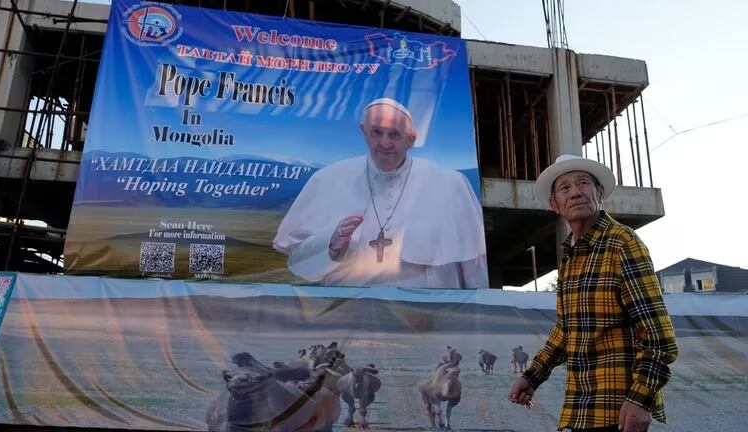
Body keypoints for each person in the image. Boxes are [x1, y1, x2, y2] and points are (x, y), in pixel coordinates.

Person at [507, 154, 678, 432]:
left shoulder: (623, 244)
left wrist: (640, 399)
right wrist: (532, 376)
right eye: (564, 188)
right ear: (555, 205)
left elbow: (659, 338)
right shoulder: (570, 255)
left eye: (583, 183)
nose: (575, 192)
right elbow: (567, 329)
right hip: (582, 406)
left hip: (618, 410)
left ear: (599, 193)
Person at [272, 98, 488, 288]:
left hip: (426, 320)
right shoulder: (327, 179)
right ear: (363, 131)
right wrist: (331, 246)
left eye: (394, 135)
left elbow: (475, 264)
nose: (384, 144)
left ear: (411, 139)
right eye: (376, 132)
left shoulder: (450, 184)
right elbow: (299, 267)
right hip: (350, 316)